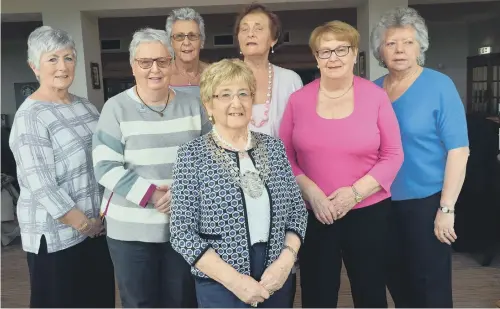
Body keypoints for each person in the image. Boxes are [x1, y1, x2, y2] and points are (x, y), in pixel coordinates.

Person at [280, 21, 404, 308]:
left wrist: (355, 193)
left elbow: (393, 154)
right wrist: (311, 193)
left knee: (370, 290)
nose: (333, 57)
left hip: (368, 212)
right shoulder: (298, 101)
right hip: (316, 212)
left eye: (341, 49)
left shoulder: (375, 97)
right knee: (317, 293)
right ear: (316, 57)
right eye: (325, 52)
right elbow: (284, 156)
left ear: (354, 53)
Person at [170, 58, 308, 308]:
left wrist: (285, 262)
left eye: (243, 93)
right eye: (224, 95)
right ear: (208, 105)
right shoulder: (192, 155)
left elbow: (297, 213)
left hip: (275, 276)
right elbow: (181, 233)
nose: (236, 103)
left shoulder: (274, 148)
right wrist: (235, 282)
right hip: (220, 282)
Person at [92, 28, 211, 308]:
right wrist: (153, 195)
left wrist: (181, 192)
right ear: (134, 66)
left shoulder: (194, 105)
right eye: (145, 62)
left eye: (162, 61)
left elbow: (210, 159)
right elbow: (105, 167)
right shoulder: (115, 108)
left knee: (183, 302)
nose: (154, 69)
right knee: (140, 303)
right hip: (131, 234)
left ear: (172, 63)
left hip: (183, 228)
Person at [9, 26, 115, 308]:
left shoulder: (86, 107)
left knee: (98, 301)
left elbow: (105, 159)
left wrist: (100, 221)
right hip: (57, 236)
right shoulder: (30, 116)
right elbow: (41, 185)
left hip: (96, 229)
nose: (62, 66)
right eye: (52, 59)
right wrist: (84, 225)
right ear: (35, 67)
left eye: (68, 58)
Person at [371, 7, 469, 308]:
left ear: (420, 47)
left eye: (408, 42)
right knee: (397, 281)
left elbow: (458, 150)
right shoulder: (373, 92)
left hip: (426, 203)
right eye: (391, 43)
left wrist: (446, 208)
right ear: (381, 51)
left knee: (431, 287)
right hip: (381, 203)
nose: (400, 50)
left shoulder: (439, 86)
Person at [235, 3, 303, 137]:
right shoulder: (223, 78)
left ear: (273, 39)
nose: (250, 34)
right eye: (244, 29)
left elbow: (301, 130)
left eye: (258, 29)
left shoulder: (290, 80)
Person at [166, 7, 208, 96]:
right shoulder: (162, 75)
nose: (186, 42)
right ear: (171, 42)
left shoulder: (216, 74)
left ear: (202, 41)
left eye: (192, 36)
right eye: (179, 36)